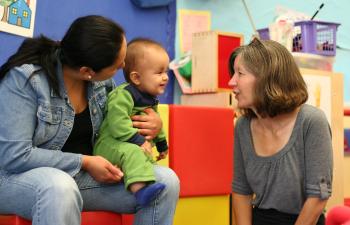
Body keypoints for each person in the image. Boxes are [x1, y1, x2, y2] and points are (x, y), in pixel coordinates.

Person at [0, 15, 179, 225]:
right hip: (16, 180)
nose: (123, 65)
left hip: (80, 181)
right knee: (59, 186)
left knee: (166, 181)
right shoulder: (26, 81)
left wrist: (155, 123)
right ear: (87, 72)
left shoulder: (102, 85)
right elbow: (14, 156)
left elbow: (122, 121)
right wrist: (84, 161)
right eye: (116, 65)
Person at [228, 38, 333, 225]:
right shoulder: (243, 126)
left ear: (266, 77)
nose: (231, 82)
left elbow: (318, 197)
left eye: (240, 74)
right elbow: (241, 191)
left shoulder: (311, 121)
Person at [93, 38, 170, 207]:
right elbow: (117, 123)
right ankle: (140, 191)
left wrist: (162, 143)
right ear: (136, 78)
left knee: (145, 158)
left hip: (127, 144)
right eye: (159, 73)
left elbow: (155, 124)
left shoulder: (149, 98)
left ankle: (144, 183)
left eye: (166, 72)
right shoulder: (123, 95)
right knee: (134, 152)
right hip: (109, 143)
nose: (165, 77)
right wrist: (139, 140)